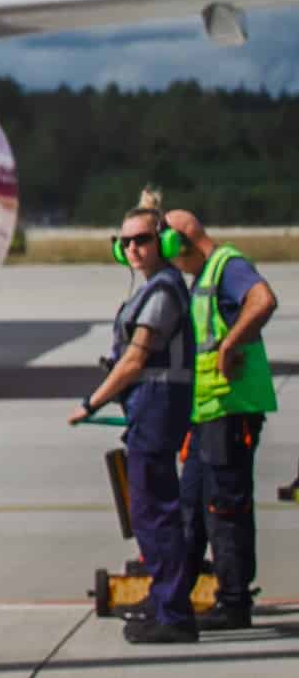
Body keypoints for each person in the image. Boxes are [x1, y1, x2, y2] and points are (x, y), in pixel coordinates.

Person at [70, 203, 198, 644]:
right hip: (148, 408)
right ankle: (165, 601)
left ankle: (175, 614)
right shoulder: (151, 288)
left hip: (158, 408)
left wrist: (92, 402)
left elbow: (135, 359)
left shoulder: (163, 290)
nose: (132, 249)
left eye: (142, 239)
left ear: (163, 243)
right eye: (124, 242)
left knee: (155, 513)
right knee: (148, 512)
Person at [169, 207, 278, 631]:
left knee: (224, 508)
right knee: (191, 510)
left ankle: (234, 603)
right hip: (207, 414)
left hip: (231, 413)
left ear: (183, 245)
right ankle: (176, 600)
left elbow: (263, 299)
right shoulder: (205, 278)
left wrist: (232, 344)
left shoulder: (228, 267)